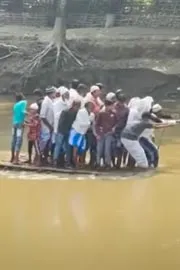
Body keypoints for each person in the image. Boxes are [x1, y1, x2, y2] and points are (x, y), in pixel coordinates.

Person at [53, 100, 81, 167]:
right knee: (58, 146)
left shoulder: (76, 112)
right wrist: (60, 131)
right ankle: (55, 160)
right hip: (62, 131)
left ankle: (67, 162)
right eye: (77, 106)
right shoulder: (65, 111)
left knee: (68, 147)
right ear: (73, 105)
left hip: (69, 131)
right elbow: (61, 122)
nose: (77, 108)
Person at [69, 101, 93, 167]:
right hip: (76, 132)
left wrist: (88, 124)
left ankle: (81, 163)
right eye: (90, 107)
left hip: (82, 133)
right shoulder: (81, 112)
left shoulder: (90, 114)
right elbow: (81, 123)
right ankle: (75, 164)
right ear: (86, 107)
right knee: (75, 148)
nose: (91, 108)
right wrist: (88, 124)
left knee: (83, 148)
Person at [95, 99, 117, 168]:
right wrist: (98, 133)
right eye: (110, 106)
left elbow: (116, 122)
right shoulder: (101, 113)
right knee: (99, 149)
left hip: (109, 133)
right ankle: (98, 163)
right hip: (101, 133)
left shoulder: (113, 113)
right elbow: (97, 124)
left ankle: (108, 163)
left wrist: (114, 128)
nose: (112, 107)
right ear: (107, 106)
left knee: (107, 149)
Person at [39, 86, 56, 163]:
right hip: (46, 126)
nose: (55, 94)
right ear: (51, 93)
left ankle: (45, 158)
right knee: (45, 143)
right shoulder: (46, 102)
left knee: (49, 143)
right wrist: (49, 126)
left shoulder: (51, 101)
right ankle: (42, 158)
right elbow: (42, 116)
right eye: (54, 93)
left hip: (50, 126)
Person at [11, 93, 27, 164]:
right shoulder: (23, 102)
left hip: (14, 123)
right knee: (19, 140)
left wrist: (25, 120)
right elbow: (23, 112)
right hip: (20, 124)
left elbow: (16, 115)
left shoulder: (15, 105)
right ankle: (16, 160)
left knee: (13, 140)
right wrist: (31, 114)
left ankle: (12, 157)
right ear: (22, 97)